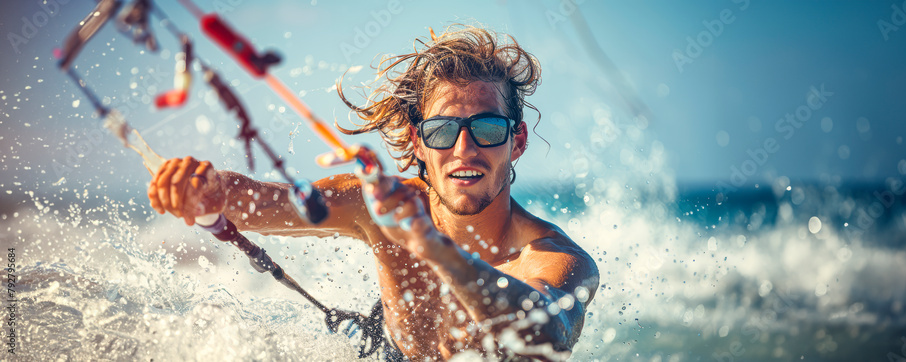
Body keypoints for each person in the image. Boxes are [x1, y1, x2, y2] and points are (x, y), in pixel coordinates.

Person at [147, 25, 599, 360]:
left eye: (486, 128)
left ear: (516, 141)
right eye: (443, 131)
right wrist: (207, 190)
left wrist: (435, 248)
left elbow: (545, 333)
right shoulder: (378, 204)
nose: (465, 150)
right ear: (419, 142)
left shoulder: (558, 259)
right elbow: (264, 203)